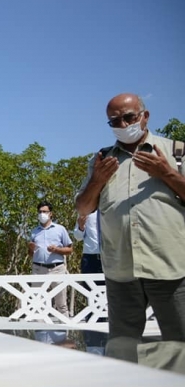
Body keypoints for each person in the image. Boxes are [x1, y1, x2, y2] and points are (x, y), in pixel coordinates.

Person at [76, 93, 185, 355]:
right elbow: (83, 207)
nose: (123, 125)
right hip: (121, 269)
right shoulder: (102, 158)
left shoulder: (176, 151)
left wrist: (166, 173)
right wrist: (97, 181)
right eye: (115, 121)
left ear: (144, 116)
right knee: (122, 350)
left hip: (169, 267)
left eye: (129, 117)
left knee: (180, 346)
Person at [28, 201, 72, 318]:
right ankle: (39, 333)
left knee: (61, 304)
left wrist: (56, 250)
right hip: (38, 269)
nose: (42, 214)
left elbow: (70, 250)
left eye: (44, 212)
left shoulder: (60, 229)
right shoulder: (34, 231)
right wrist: (31, 249)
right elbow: (30, 254)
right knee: (37, 303)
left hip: (57, 269)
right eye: (40, 212)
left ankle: (65, 332)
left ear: (50, 214)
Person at [72, 211, 102, 275]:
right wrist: (81, 227)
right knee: (88, 284)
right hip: (90, 257)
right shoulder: (85, 211)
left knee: (111, 284)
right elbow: (78, 237)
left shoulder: (110, 209)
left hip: (110, 256)